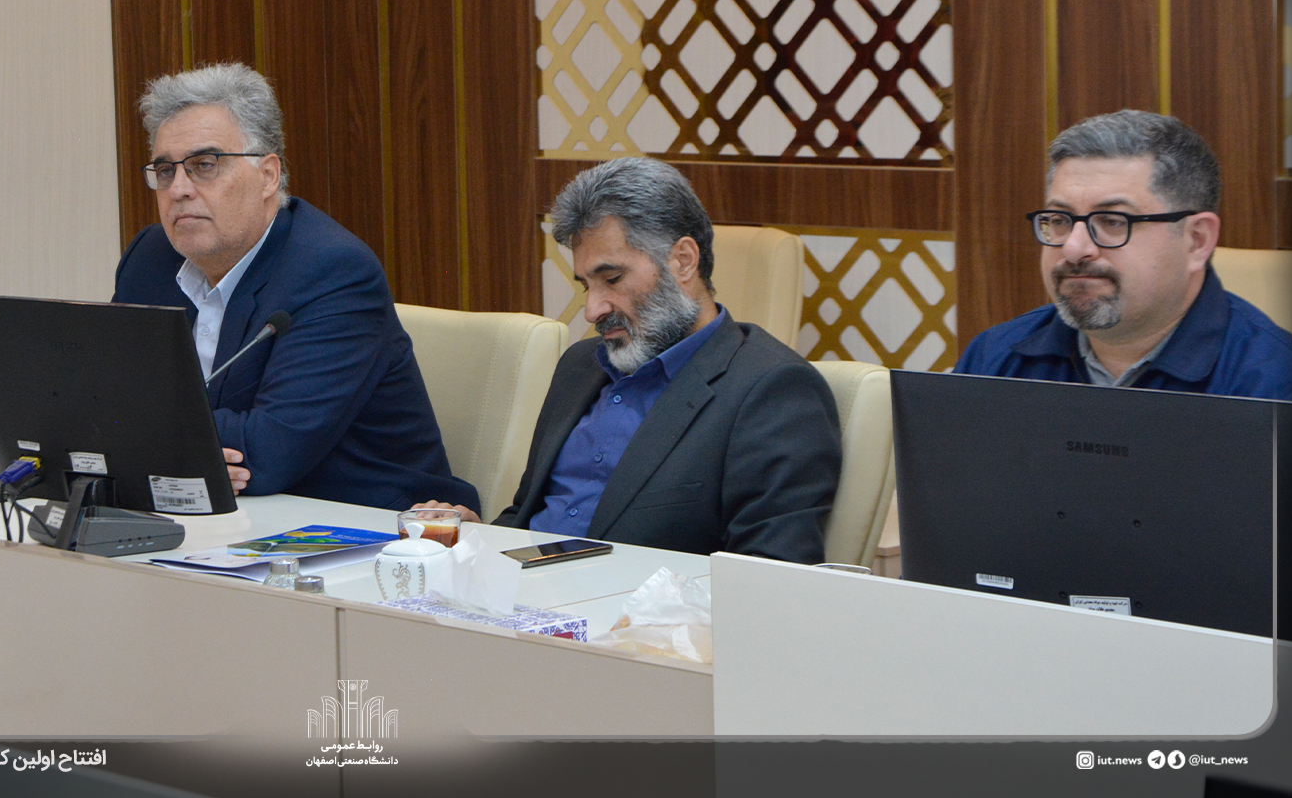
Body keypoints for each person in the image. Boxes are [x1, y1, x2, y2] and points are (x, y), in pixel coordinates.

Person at [417, 157, 841, 563]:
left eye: (613, 278)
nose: (592, 310)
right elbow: (530, 519)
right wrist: (483, 541)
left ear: (683, 261)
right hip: (517, 597)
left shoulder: (773, 390)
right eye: (586, 285)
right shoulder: (581, 365)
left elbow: (768, 576)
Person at [111, 63, 479, 511]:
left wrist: (139, 436)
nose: (178, 189)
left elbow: (268, 453)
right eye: (165, 170)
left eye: (204, 165)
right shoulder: (149, 259)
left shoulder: (333, 271)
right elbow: (101, 398)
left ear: (268, 175)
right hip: (221, 514)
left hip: (365, 522)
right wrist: (160, 442)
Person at [956, 110, 1292, 402]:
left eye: (1113, 221)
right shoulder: (995, 359)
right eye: (1060, 220)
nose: (1074, 248)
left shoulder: (1281, 385)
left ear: (1196, 241)